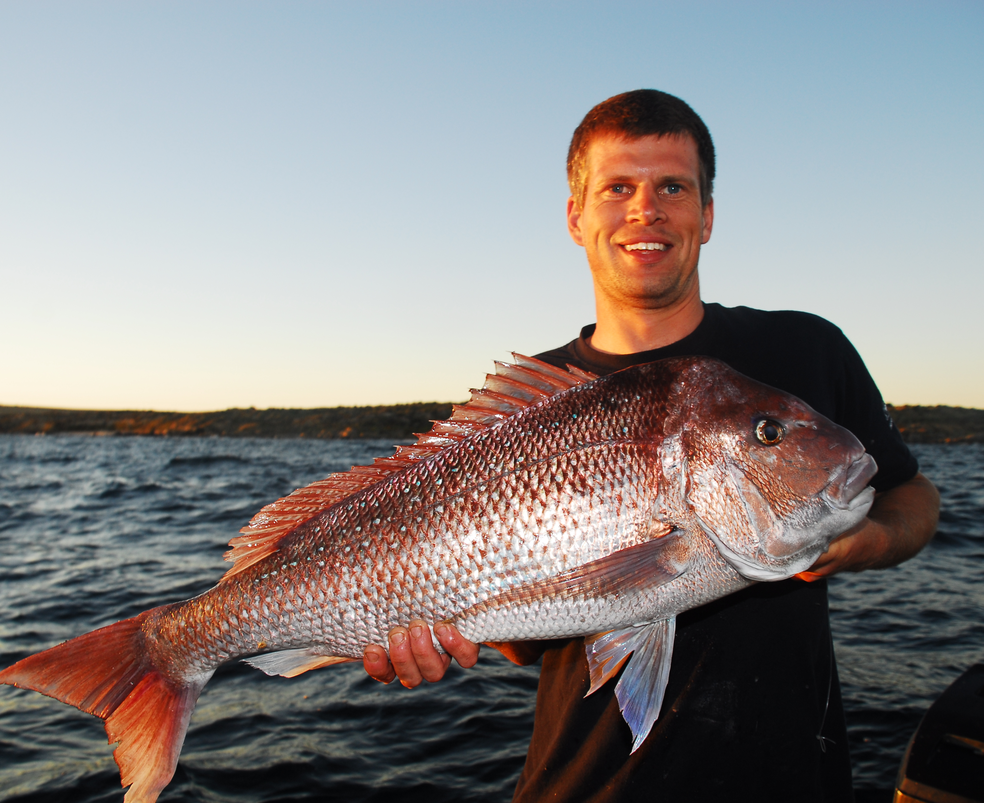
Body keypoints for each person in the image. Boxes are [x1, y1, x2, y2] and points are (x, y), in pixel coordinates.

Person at [361, 89, 940, 801]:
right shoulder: (527, 410)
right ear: (577, 217)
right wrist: (431, 632)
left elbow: (911, 493)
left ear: (708, 213)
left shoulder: (805, 349)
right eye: (618, 188)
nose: (646, 210)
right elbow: (519, 637)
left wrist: (873, 540)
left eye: (673, 185)